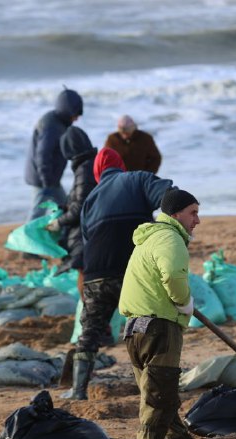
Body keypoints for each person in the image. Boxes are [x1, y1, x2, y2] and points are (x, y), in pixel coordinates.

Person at [119, 188, 213, 439]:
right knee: (159, 399)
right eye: (193, 212)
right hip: (159, 328)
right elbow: (172, 274)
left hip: (135, 328)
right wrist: (184, 301)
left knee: (161, 395)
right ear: (175, 215)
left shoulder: (149, 239)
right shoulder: (170, 238)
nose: (197, 220)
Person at [63, 147, 172, 401]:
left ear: (98, 173)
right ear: (121, 166)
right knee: (144, 324)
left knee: (89, 332)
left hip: (95, 275)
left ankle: (78, 390)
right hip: (131, 273)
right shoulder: (138, 179)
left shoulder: (90, 199)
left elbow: (85, 240)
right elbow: (169, 196)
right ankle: (152, 384)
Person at [45, 125, 97, 296]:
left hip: (86, 233)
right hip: (93, 229)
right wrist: (63, 208)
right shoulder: (90, 164)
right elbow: (81, 199)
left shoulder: (84, 169)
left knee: (85, 275)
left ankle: (90, 316)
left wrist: (59, 222)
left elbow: (81, 206)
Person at [24, 87, 83, 221]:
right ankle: (25, 239)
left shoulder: (58, 122)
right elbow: (42, 154)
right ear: (68, 111)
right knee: (38, 212)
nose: (77, 119)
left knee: (62, 207)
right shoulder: (51, 125)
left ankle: (60, 237)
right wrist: (46, 182)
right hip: (43, 179)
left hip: (50, 178)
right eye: (76, 114)